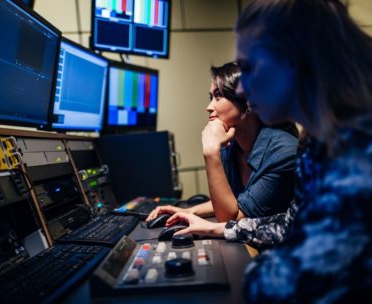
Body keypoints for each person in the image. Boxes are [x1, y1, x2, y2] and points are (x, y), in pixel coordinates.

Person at [232, 0, 371, 301]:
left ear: (293, 57)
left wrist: (260, 267)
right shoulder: (317, 145)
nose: (240, 89)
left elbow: (284, 287)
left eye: (248, 67)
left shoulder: (359, 151)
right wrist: (223, 231)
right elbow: (292, 226)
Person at [147, 62, 298, 224]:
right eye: (211, 97)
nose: (209, 107)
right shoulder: (232, 147)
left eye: (218, 96)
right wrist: (188, 211)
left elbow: (230, 220)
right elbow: (232, 203)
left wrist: (211, 153)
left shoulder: (284, 152)